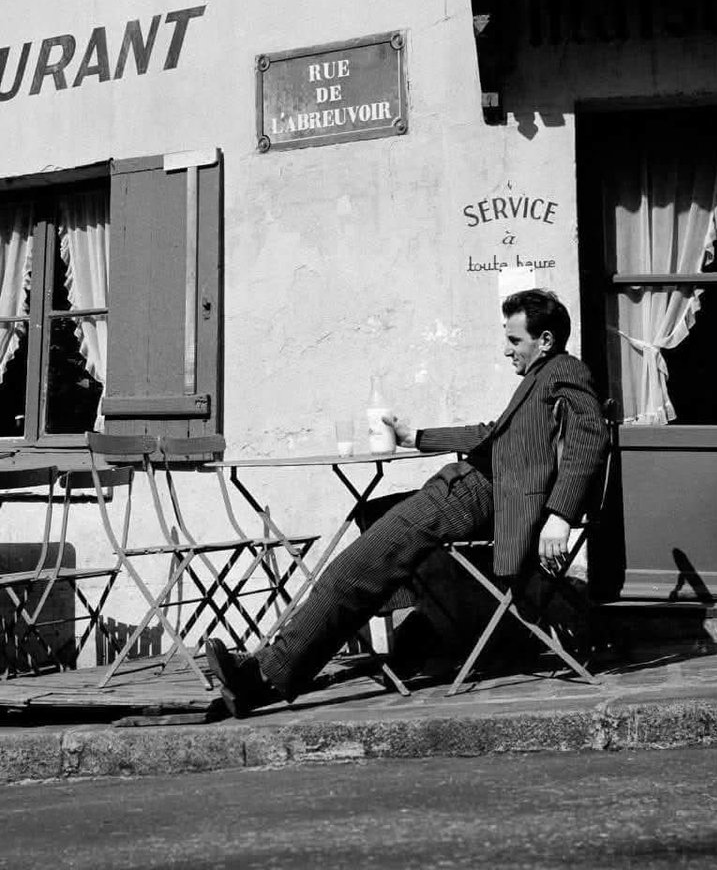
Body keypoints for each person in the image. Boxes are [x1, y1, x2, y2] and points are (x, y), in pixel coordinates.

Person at [206, 289, 608, 717]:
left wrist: (560, 515)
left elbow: (591, 436)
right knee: (370, 517)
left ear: (544, 340)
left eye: (514, 340)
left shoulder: (565, 370)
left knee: (354, 567)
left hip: (473, 497)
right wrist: (416, 438)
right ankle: (406, 630)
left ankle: (265, 675)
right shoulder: (539, 378)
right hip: (467, 491)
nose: (505, 350)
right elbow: (493, 435)